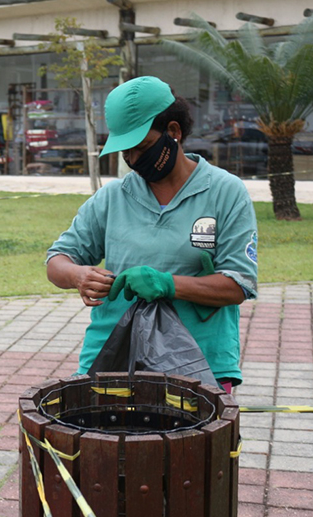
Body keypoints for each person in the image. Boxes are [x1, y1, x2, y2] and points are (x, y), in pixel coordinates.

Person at [46, 76, 258, 393]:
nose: (133, 159)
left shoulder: (224, 192)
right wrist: (78, 275)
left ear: (174, 132)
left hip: (199, 363)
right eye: (125, 151)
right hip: (112, 357)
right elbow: (57, 261)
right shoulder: (111, 198)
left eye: (143, 147)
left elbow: (239, 284)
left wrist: (168, 284)